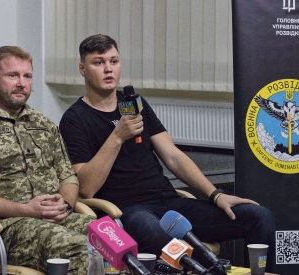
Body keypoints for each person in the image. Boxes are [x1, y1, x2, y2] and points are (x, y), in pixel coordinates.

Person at [59, 34, 276, 272]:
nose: (108, 69)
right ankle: (212, 269)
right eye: (98, 62)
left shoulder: (135, 103)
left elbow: (173, 156)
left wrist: (216, 195)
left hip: (169, 202)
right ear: (82, 68)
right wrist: (117, 136)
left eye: (114, 61)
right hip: (127, 210)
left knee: (259, 216)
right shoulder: (74, 119)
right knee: (154, 233)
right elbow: (87, 187)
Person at [0, 46, 94, 275]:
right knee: (77, 248)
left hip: (56, 219)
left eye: (27, 76)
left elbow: (67, 176)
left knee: (113, 239)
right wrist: (26, 210)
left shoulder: (44, 124)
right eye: (12, 76)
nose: (22, 83)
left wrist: (65, 205)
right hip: (4, 229)